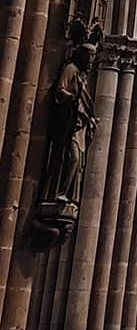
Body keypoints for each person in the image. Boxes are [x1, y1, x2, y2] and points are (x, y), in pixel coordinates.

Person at [41, 40, 98, 206]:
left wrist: (90, 117)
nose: (92, 60)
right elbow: (61, 91)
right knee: (73, 158)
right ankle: (59, 192)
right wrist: (74, 98)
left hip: (78, 124)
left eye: (94, 56)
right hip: (69, 123)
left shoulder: (81, 76)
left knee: (78, 161)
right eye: (90, 56)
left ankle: (67, 195)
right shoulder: (71, 69)